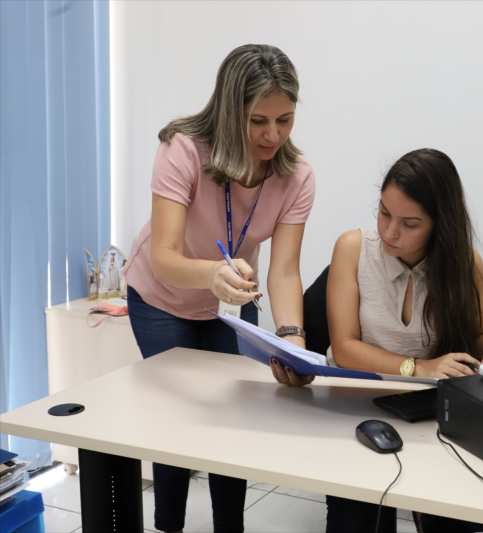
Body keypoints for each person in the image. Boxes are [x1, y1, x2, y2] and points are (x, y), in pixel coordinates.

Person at [121, 44, 315, 533]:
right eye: (258, 121)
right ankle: (169, 525)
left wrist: (292, 342)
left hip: (231, 298)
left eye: (285, 120)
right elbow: (164, 256)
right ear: (231, 112)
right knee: (178, 419)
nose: (273, 135)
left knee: (233, 418)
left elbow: (284, 272)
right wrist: (210, 275)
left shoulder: (296, 175)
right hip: (162, 298)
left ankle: (230, 526)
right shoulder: (182, 150)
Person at [324, 148, 483, 533]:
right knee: (357, 518)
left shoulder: (467, 266)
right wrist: (420, 367)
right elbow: (344, 348)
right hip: (355, 403)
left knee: (460, 513)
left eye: (409, 223)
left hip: (424, 409)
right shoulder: (353, 249)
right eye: (384, 213)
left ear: (440, 225)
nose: (390, 231)